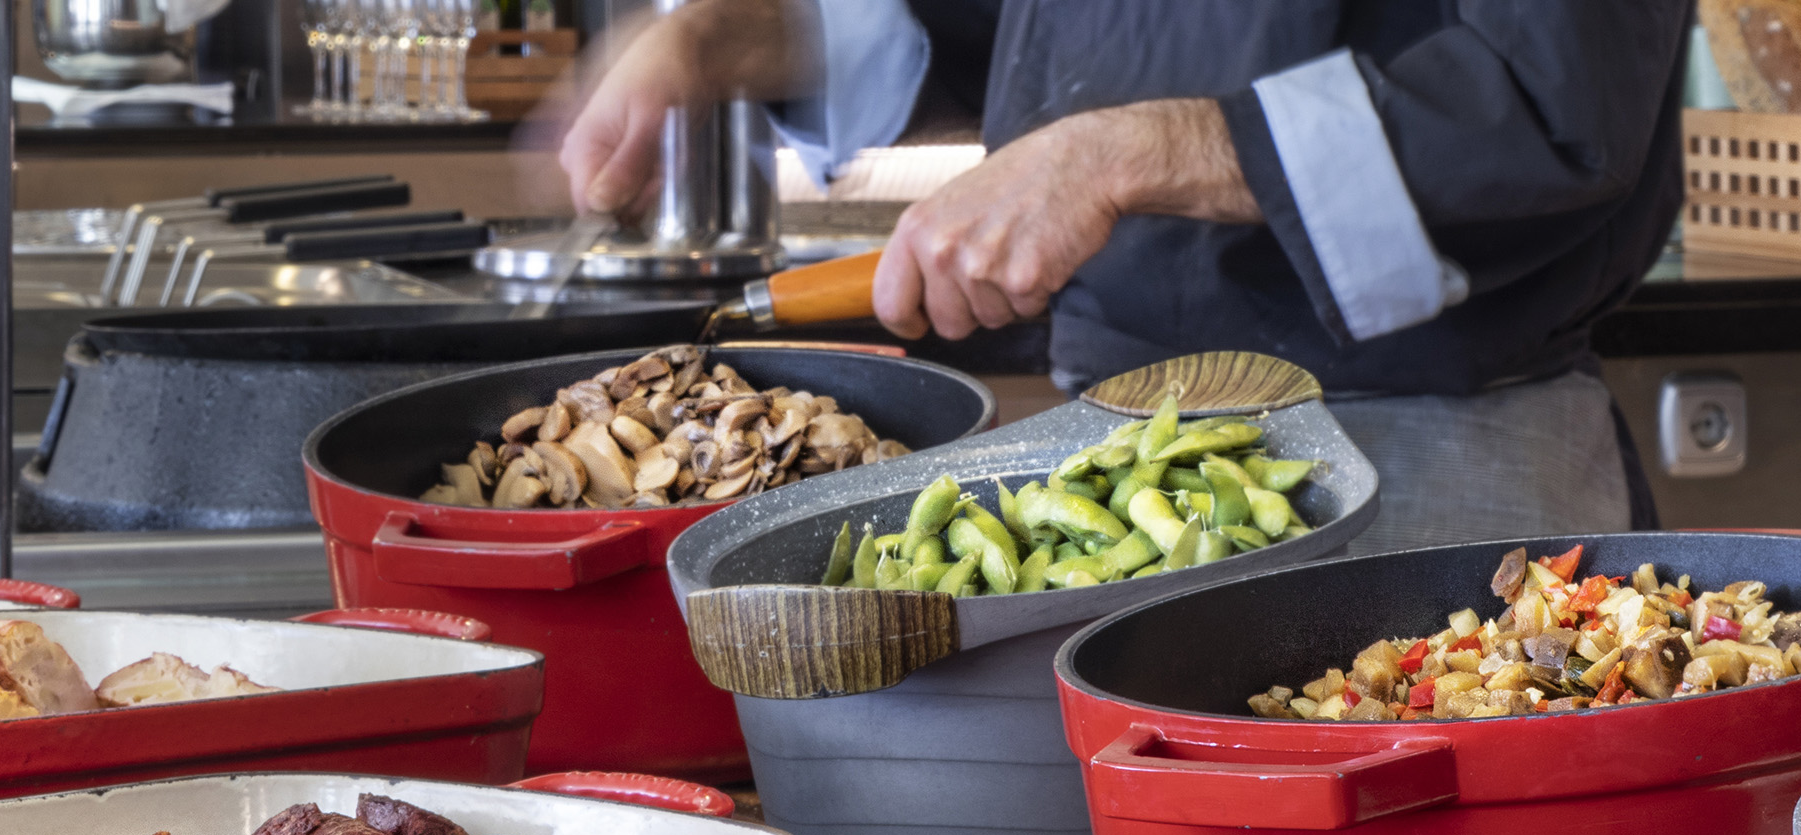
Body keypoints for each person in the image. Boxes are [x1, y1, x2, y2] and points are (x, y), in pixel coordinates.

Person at [553, 1, 1689, 546]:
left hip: (1436, 462)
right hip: (1116, 458)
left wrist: (1124, 153)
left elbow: (1551, 104)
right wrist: (719, 38)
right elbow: (1001, 26)